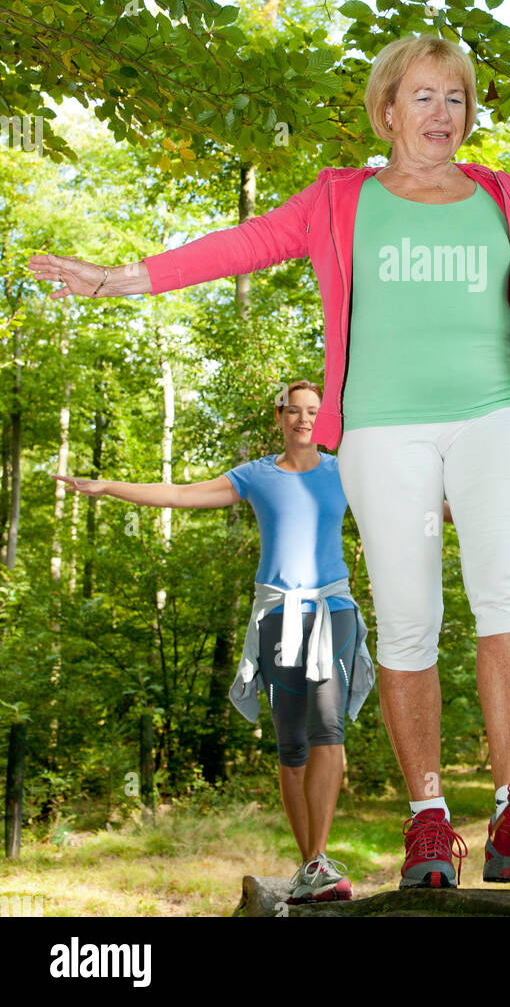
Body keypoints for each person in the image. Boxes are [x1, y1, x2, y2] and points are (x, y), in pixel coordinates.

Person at [30, 32, 510, 889]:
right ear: (387, 109)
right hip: (381, 430)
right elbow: (236, 245)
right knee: (409, 617)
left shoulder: (502, 200)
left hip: (495, 419)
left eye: (455, 99)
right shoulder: (339, 200)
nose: (441, 114)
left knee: (508, 592)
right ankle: (428, 822)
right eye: (423, 96)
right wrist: (122, 278)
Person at [54, 379, 374, 905]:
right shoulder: (257, 475)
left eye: (313, 411)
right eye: (293, 411)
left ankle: (319, 859)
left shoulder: (345, 472)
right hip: (277, 614)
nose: (302, 419)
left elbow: (404, 504)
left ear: (326, 417)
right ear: (278, 418)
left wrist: (463, 511)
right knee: (291, 743)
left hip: (332, 609)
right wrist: (109, 486)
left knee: (329, 724)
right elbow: (181, 495)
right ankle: (307, 865)